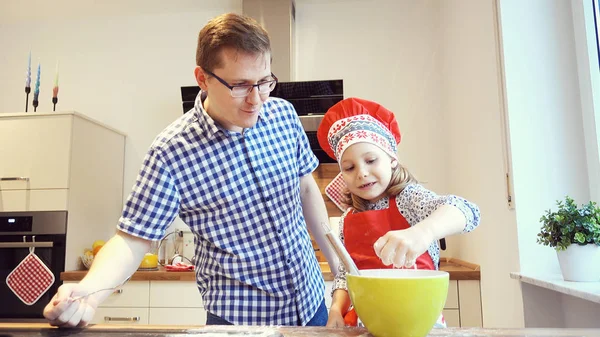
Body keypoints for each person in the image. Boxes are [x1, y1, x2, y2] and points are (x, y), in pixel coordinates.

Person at [43, 12, 339, 327]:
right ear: (203, 78)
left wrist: (341, 271)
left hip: (310, 305)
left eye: (264, 82)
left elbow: (306, 189)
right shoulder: (171, 150)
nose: (257, 99)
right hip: (238, 320)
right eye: (240, 85)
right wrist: (88, 292)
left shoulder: (283, 115)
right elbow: (132, 239)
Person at [316, 97, 481, 328]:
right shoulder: (346, 220)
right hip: (369, 324)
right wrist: (336, 308)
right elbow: (346, 274)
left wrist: (423, 231)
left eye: (371, 160)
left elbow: (468, 211)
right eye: (349, 167)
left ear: (392, 159)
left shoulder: (409, 199)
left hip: (417, 322)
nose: (362, 173)